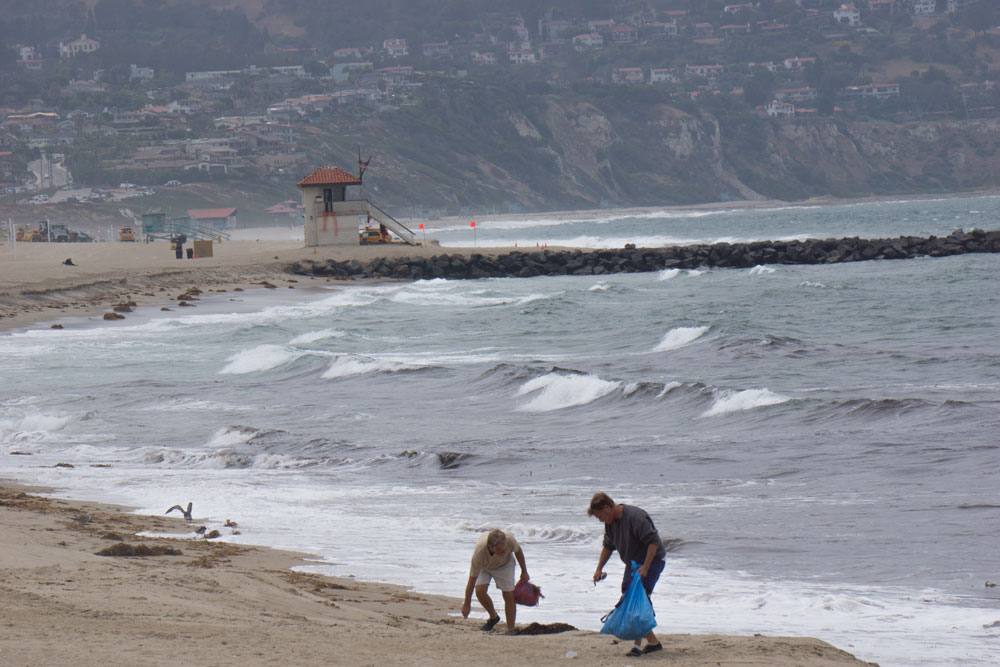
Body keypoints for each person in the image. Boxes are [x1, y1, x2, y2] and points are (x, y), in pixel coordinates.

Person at [589, 491, 666, 657]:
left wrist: (645, 567)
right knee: (628, 594)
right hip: (633, 563)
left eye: (600, 515)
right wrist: (599, 568)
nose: (600, 520)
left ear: (608, 507)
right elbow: (608, 546)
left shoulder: (635, 517)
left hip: (652, 560)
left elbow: (653, 543)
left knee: (639, 599)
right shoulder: (610, 523)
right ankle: (652, 642)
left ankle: (638, 646)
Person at [461, 528, 530, 634]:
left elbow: (518, 552)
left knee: (508, 595)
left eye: (505, 547)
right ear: (491, 548)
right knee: (479, 591)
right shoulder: (479, 554)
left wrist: (524, 571)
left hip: (505, 565)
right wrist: (467, 603)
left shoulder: (510, 539)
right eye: (501, 549)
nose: (505, 550)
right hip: (485, 566)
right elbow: (471, 580)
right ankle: (493, 617)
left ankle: (511, 628)